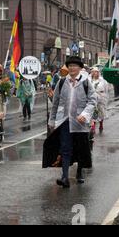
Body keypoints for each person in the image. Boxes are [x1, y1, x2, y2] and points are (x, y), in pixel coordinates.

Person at [43, 56, 97, 188]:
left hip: (80, 122)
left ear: (80, 68)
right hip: (64, 121)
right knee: (65, 148)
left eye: (75, 66)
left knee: (80, 148)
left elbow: (92, 101)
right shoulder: (62, 83)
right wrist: (51, 121)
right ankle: (65, 177)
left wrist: (85, 114)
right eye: (70, 65)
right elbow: (55, 103)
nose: (72, 68)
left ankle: (79, 172)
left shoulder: (86, 83)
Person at [89, 67, 108, 132]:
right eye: (93, 72)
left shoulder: (102, 81)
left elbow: (106, 90)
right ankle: (93, 125)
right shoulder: (89, 80)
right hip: (92, 97)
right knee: (93, 111)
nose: (94, 73)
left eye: (96, 72)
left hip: (101, 98)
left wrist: (104, 97)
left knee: (100, 111)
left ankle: (101, 124)